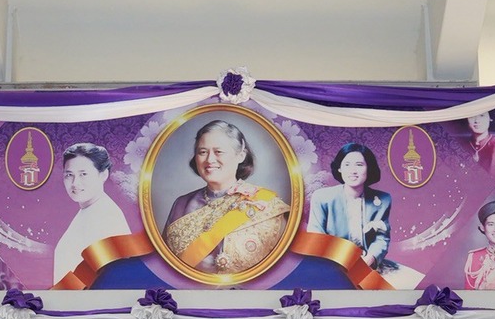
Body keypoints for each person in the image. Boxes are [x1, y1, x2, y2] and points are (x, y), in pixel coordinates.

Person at [162, 118, 291, 277]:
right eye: (202, 152)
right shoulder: (181, 204)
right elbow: (163, 267)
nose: (209, 160)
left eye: (219, 152)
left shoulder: (265, 205)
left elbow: (283, 270)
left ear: (241, 155)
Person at [305, 142, 393, 270]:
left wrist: (370, 259)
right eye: (347, 165)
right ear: (339, 168)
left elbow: (381, 238)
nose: (353, 171)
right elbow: (316, 237)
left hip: (367, 264)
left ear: (368, 168)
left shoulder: (383, 200)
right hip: (330, 263)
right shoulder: (322, 197)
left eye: (359, 165)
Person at [52, 142, 131, 285]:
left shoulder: (107, 217)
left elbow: (113, 280)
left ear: (104, 174)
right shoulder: (89, 210)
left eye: (83, 174)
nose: (75, 183)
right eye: (69, 175)